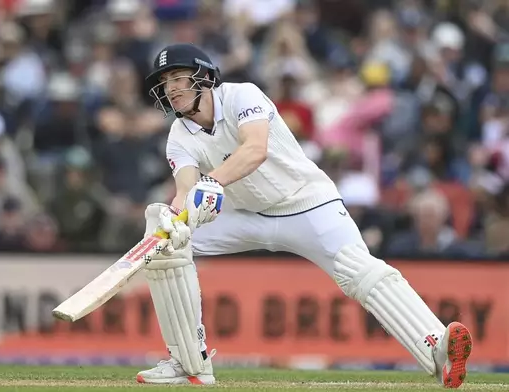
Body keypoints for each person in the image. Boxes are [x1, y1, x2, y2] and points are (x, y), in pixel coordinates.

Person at [136, 43, 472, 388]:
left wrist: (211, 182)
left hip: (306, 203)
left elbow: (255, 149)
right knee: (168, 243)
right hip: (246, 216)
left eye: (178, 77)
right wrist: (177, 218)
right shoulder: (179, 135)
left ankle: (437, 350)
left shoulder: (241, 95)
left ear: (204, 77)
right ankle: (189, 362)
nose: (171, 88)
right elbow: (184, 189)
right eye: (165, 82)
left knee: (359, 269)